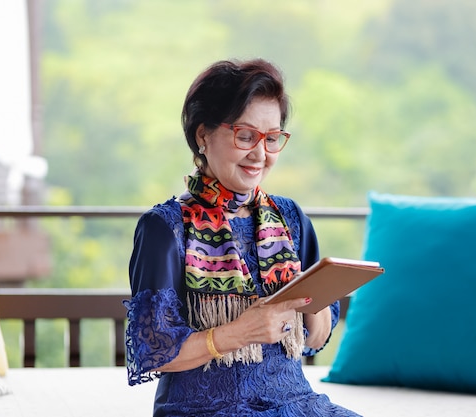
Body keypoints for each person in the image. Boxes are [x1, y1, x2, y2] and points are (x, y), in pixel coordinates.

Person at [124, 58, 360, 416]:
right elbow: (155, 352)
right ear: (203, 135)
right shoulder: (165, 227)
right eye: (246, 136)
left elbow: (312, 340)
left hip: (294, 403)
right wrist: (240, 331)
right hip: (204, 409)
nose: (260, 154)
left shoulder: (290, 218)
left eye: (272, 138)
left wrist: (315, 308)